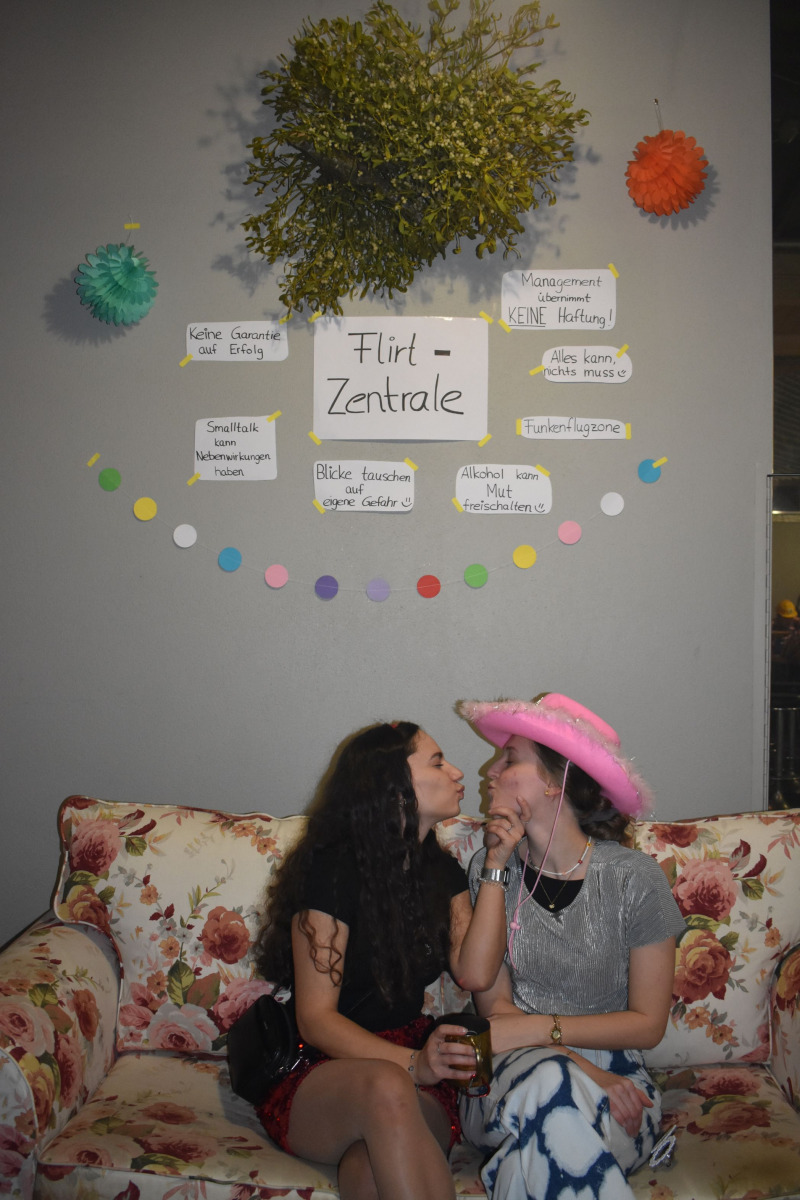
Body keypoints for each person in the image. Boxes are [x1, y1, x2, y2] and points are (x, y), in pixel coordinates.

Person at [252, 720, 523, 1200]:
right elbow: (316, 1020)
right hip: (320, 1068)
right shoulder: (332, 871)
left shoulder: (441, 872)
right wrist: (414, 1064)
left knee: (369, 1168)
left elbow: (475, 973)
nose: (458, 772)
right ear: (394, 788)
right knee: (385, 1084)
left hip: (413, 1068)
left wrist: (497, 864)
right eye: (437, 762)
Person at [456, 693, 685, 1200]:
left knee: (540, 1145)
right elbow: (493, 1008)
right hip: (510, 1074)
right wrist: (496, 863)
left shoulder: (634, 879)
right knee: (551, 1083)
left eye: (509, 759)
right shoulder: (489, 870)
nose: (490, 771)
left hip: (619, 1083)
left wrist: (544, 1029)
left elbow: (647, 1024)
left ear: (554, 782)